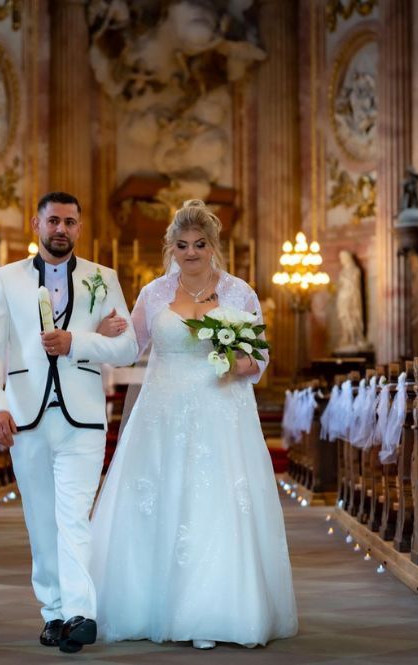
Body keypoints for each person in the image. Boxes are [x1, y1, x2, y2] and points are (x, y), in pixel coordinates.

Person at [90, 199, 298, 650]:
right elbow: (132, 348)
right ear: (171, 247)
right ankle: (150, 603)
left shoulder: (240, 293)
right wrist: (108, 334)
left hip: (222, 412)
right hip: (161, 413)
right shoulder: (153, 294)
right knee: (160, 500)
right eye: (182, 245)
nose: (191, 253)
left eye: (199, 244)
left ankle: (218, 607)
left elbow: (258, 358)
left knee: (217, 502)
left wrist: (238, 366)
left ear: (213, 246)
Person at [0, 192, 138, 654]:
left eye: (69, 221)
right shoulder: (6, 279)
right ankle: (53, 611)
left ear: (80, 228)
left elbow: (127, 349)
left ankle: (80, 613)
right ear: (36, 224)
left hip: (82, 418)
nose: (61, 229)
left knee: (74, 517)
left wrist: (78, 342)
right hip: (24, 416)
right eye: (53, 221)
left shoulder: (102, 279)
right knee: (41, 521)